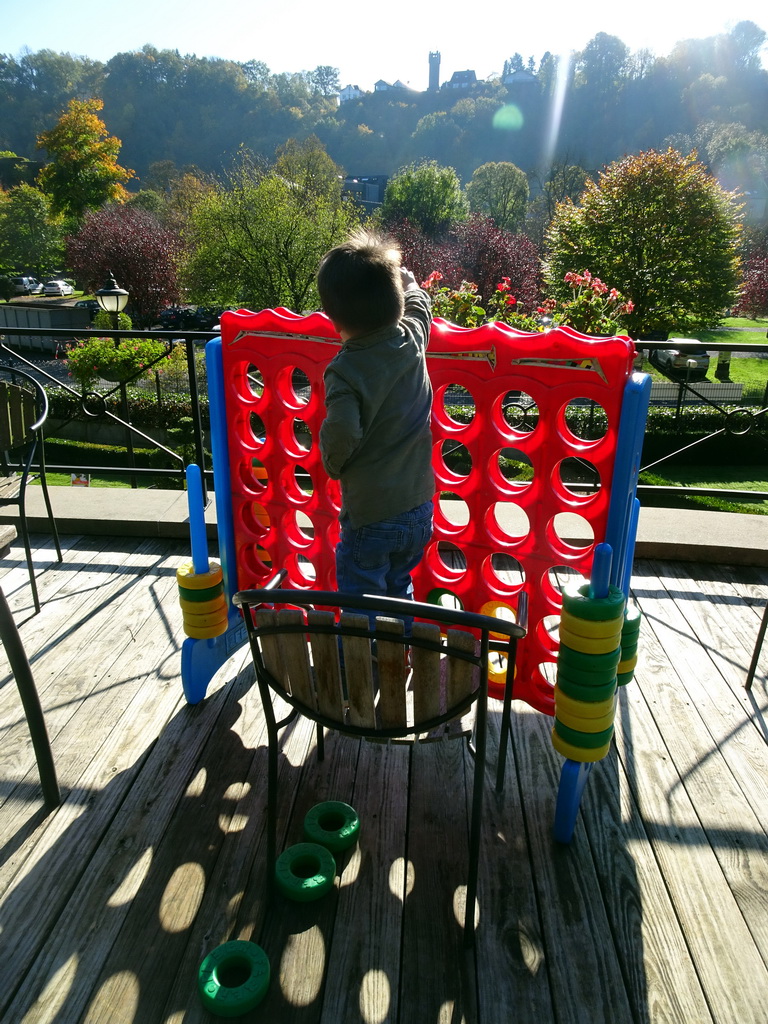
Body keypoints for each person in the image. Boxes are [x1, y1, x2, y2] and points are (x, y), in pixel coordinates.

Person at [317, 229, 434, 617]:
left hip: (371, 516)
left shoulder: (345, 370)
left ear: (333, 318)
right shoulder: (411, 338)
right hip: (419, 509)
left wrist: (333, 462)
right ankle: (399, 657)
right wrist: (411, 284)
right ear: (395, 301)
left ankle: (363, 669)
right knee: (398, 589)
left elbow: (344, 430)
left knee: (361, 603)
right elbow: (420, 308)